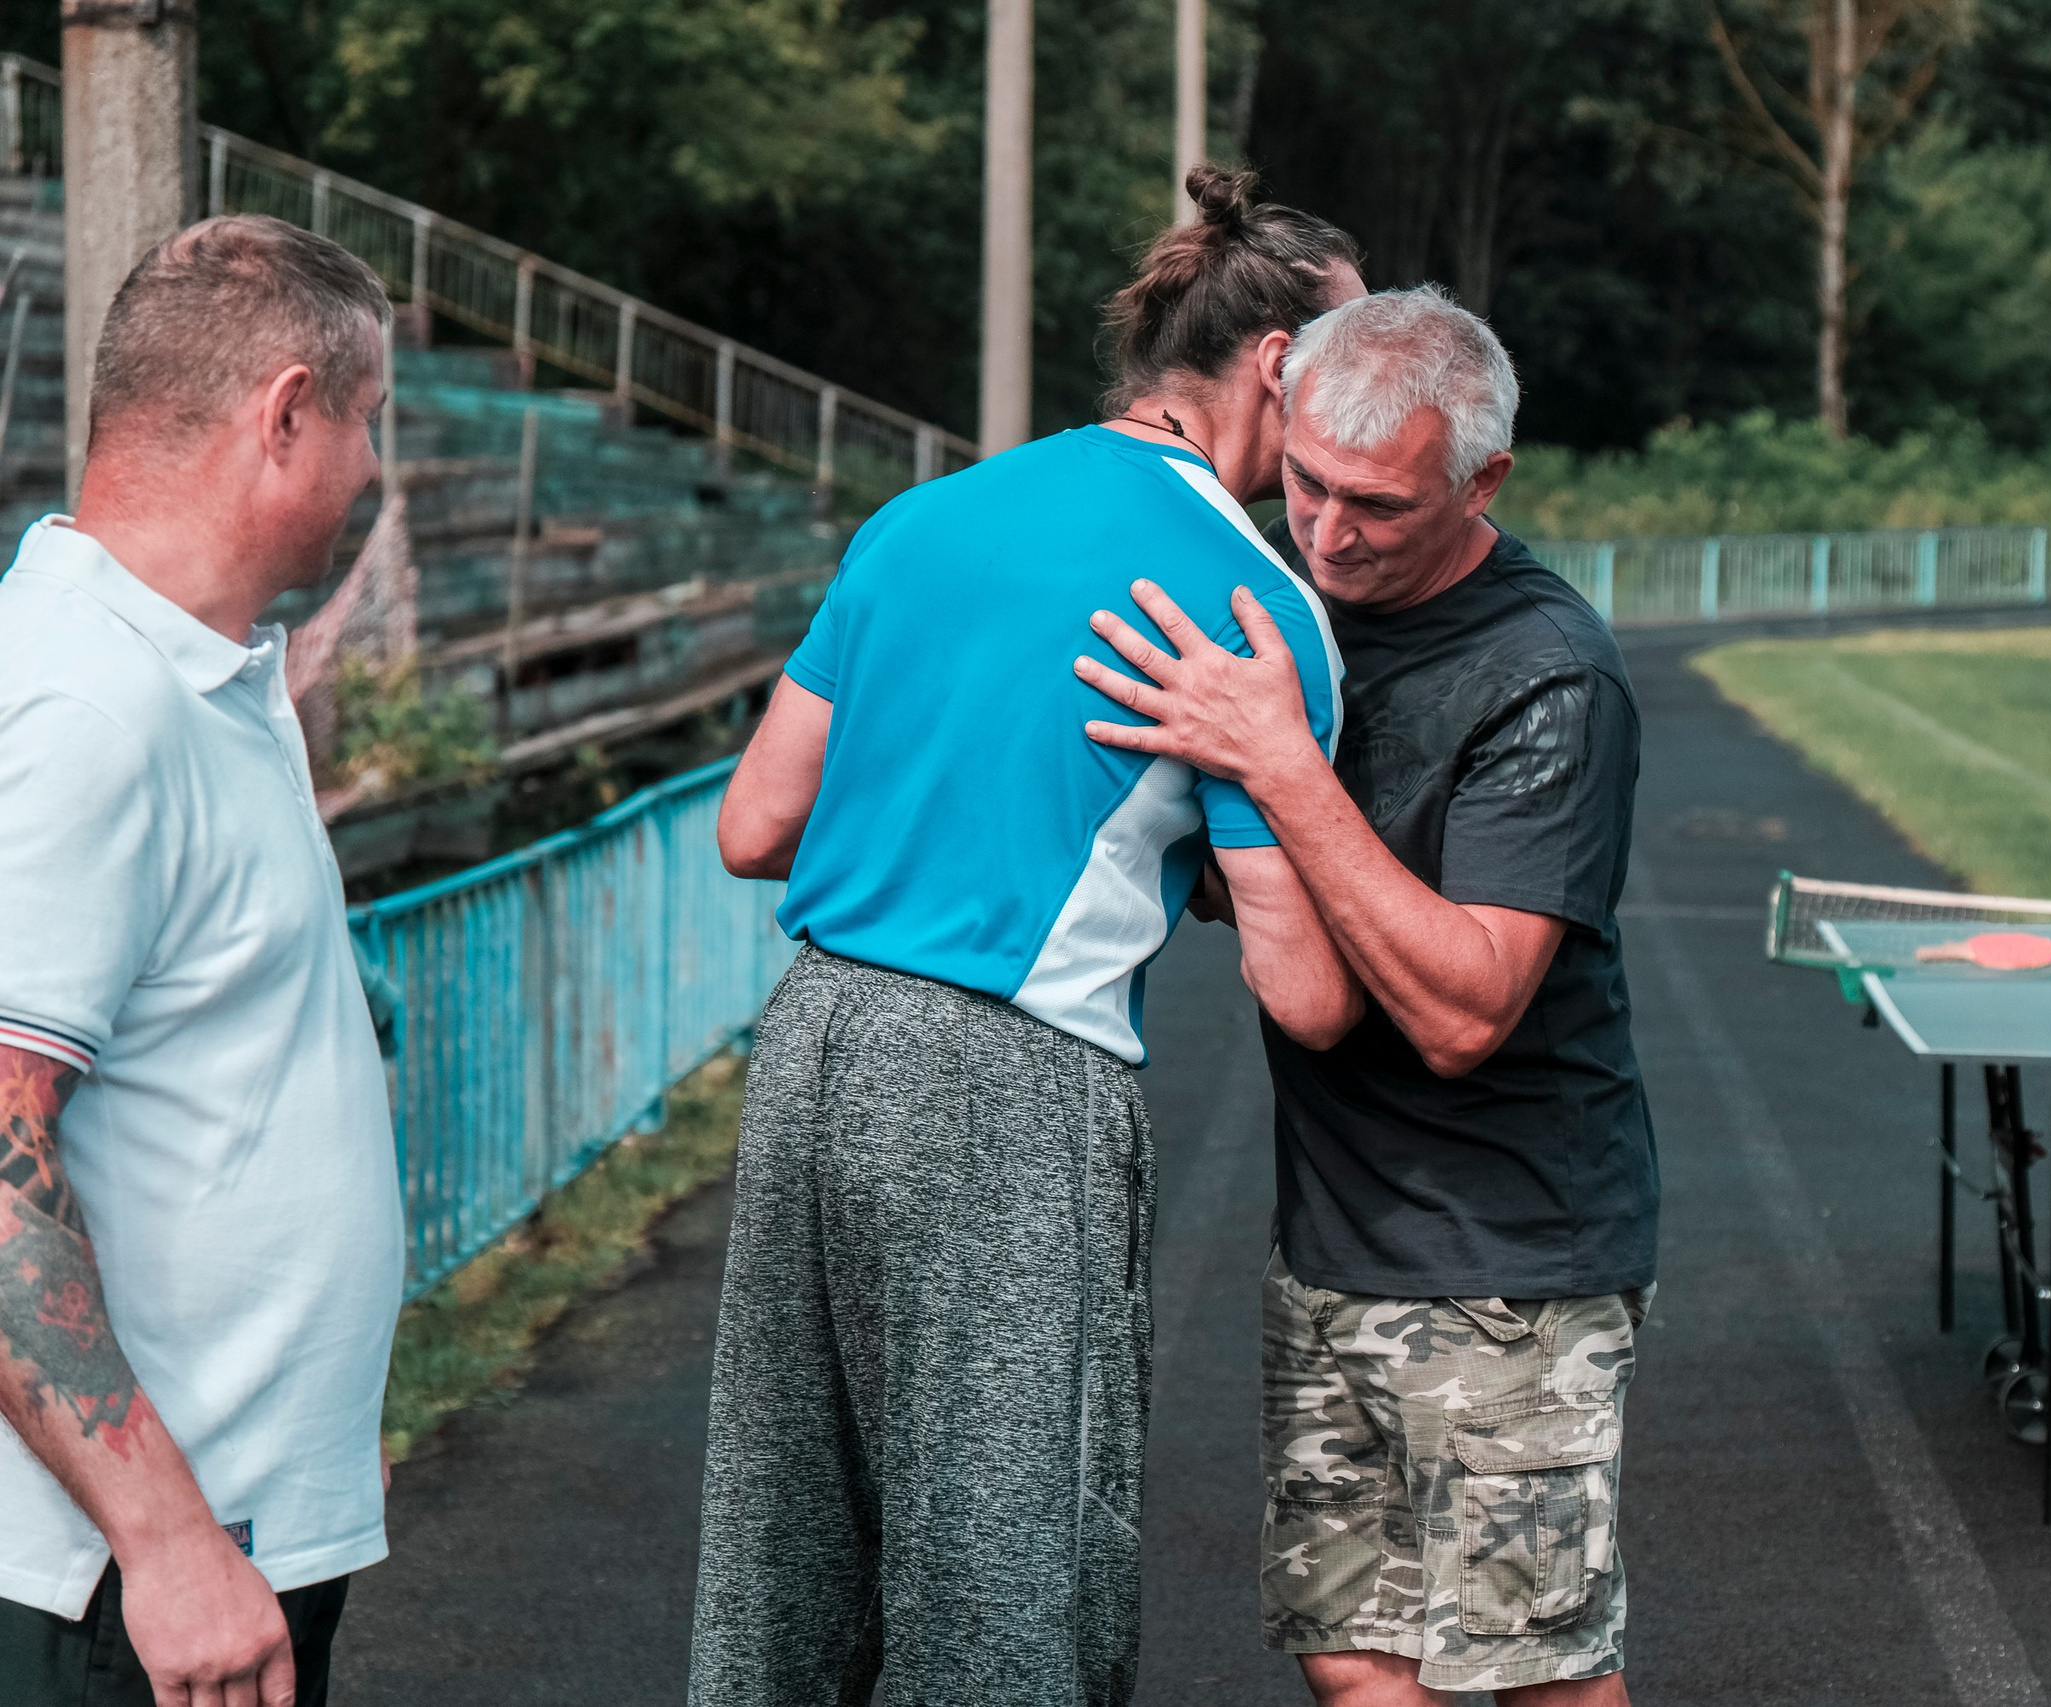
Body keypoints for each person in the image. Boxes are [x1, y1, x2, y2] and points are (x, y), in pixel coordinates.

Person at [691, 166, 1365, 1707]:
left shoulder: (923, 518)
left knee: (787, 1556)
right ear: (1279, 366)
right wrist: (1263, 788)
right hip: (1005, 1081)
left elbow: (753, 828)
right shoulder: (1254, 603)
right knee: (1003, 1583)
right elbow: (1308, 997)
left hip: (810, 1047)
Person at [1076, 286, 1658, 1705]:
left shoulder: (1550, 676)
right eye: (1311, 486)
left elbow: (1466, 1011)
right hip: (1333, 1235)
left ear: (1483, 481)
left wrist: (1279, 766)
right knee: (1356, 1663)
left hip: (1508, 1256)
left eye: (1379, 509)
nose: (1329, 535)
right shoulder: (1287, 599)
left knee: (1542, 1679)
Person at [0, 216, 405, 1707]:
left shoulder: (207, 675)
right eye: (366, 422)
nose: (372, 469)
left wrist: (315, 1422)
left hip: (238, 1522)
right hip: (126, 1579)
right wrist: (166, 1538)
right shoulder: (87, 707)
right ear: (285, 412)